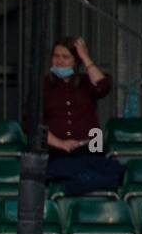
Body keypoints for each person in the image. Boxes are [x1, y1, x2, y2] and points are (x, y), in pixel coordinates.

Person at [41, 37, 124, 196]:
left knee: (115, 172)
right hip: (58, 151)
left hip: (92, 146)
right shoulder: (43, 86)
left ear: (75, 61)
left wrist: (85, 56)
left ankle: (81, 184)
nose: (59, 61)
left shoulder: (86, 82)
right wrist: (60, 143)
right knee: (68, 172)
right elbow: (31, 123)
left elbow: (103, 87)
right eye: (56, 56)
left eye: (66, 57)